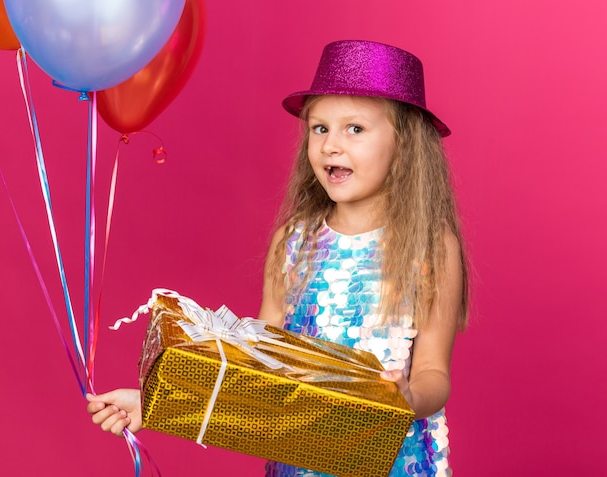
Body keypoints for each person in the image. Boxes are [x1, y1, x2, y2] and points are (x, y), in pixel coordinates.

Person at [88, 40, 469, 477]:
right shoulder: (294, 243)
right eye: (319, 128)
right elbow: (254, 370)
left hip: (393, 463)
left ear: (405, 143)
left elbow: (434, 371)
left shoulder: (430, 246)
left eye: (355, 129)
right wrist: (155, 402)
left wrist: (407, 398)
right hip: (298, 462)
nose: (330, 145)